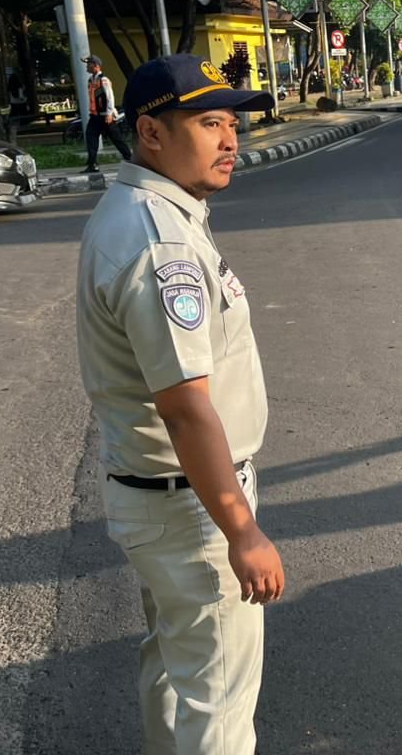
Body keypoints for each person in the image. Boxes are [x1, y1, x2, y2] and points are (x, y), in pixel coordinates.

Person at [76, 54, 284, 755]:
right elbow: (186, 406)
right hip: (191, 505)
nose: (230, 139)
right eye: (208, 122)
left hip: (162, 496)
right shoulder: (158, 241)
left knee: (176, 667)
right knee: (219, 707)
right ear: (151, 133)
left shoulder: (149, 211)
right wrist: (242, 531)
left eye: (232, 123)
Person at [83, 54, 133, 172]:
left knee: (117, 139)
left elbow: (110, 97)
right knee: (91, 137)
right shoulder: (91, 80)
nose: (87, 67)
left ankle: (131, 159)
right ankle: (92, 164)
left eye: (89, 64)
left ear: (96, 66)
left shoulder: (103, 80)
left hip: (105, 116)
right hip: (95, 116)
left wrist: (109, 114)